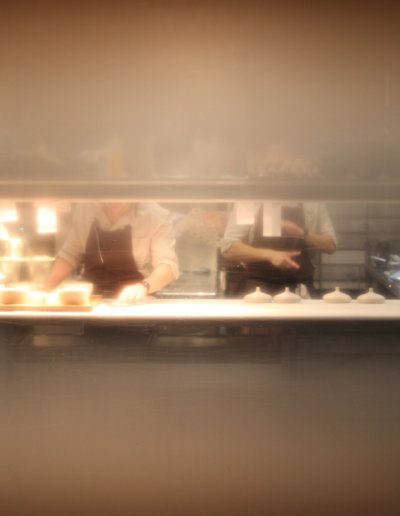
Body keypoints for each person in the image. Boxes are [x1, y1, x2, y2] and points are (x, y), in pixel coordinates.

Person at [44, 202, 178, 302]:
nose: (114, 201)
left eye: (122, 195)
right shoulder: (85, 207)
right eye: (108, 194)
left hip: (134, 302)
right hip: (90, 301)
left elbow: (167, 265)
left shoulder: (155, 216)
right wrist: (45, 291)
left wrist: (143, 287)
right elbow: (70, 253)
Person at [221, 201, 337, 297]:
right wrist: (270, 255)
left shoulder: (312, 202)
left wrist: (303, 233)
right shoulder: (249, 202)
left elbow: (330, 246)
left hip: (301, 288)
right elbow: (229, 248)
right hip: (258, 289)